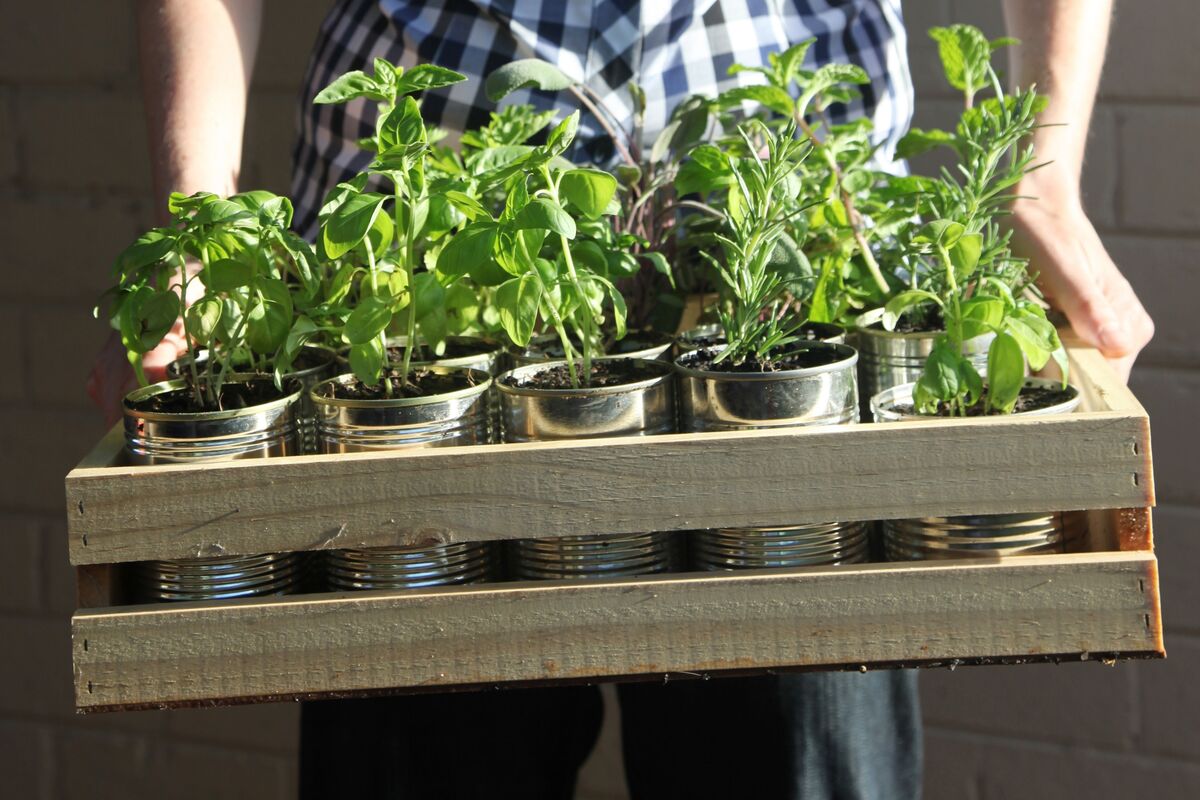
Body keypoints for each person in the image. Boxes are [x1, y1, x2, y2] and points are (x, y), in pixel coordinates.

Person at [89, 1, 1154, 798]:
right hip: (422, 260)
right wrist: (199, 227)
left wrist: (1042, 170)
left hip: (790, 237)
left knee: (797, 746)